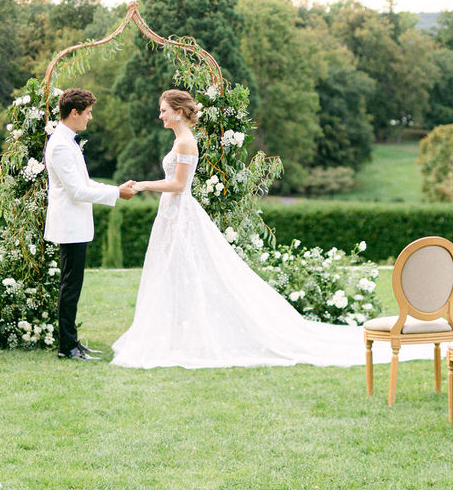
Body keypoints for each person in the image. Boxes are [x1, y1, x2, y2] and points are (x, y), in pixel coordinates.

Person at [111, 88, 426, 369]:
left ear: (178, 111)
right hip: (172, 215)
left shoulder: (185, 142)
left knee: (187, 270)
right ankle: (176, 332)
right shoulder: (180, 140)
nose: (160, 114)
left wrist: (141, 185)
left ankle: (187, 335)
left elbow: (179, 184)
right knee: (174, 272)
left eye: (163, 109)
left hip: (181, 213)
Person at [44, 87, 136, 361]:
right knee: (70, 287)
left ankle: (72, 343)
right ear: (74, 113)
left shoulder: (67, 140)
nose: (90, 118)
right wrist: (116, 193)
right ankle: (67, 347)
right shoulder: (60, 144)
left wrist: (114, 188)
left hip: (76, 225)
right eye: (88, 112)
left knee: (73, 285)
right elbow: (77, 192)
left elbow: (84, 184)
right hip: (69, 226)